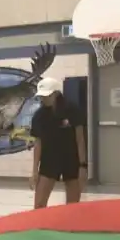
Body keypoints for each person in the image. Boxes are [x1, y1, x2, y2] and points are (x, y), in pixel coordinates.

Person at [29, 78, 87, 209]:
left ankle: (70, 227)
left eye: (46, 96)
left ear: (56, 94)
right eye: (41, 96)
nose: (43, 99)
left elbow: (80, 139)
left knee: (73, 206)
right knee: (39, 204)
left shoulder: (72, 110)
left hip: (71, 160)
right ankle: (38, 227)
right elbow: (38, 143)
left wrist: (83, 166)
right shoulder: (39, 116)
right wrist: (34, 171)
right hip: (49, 160)